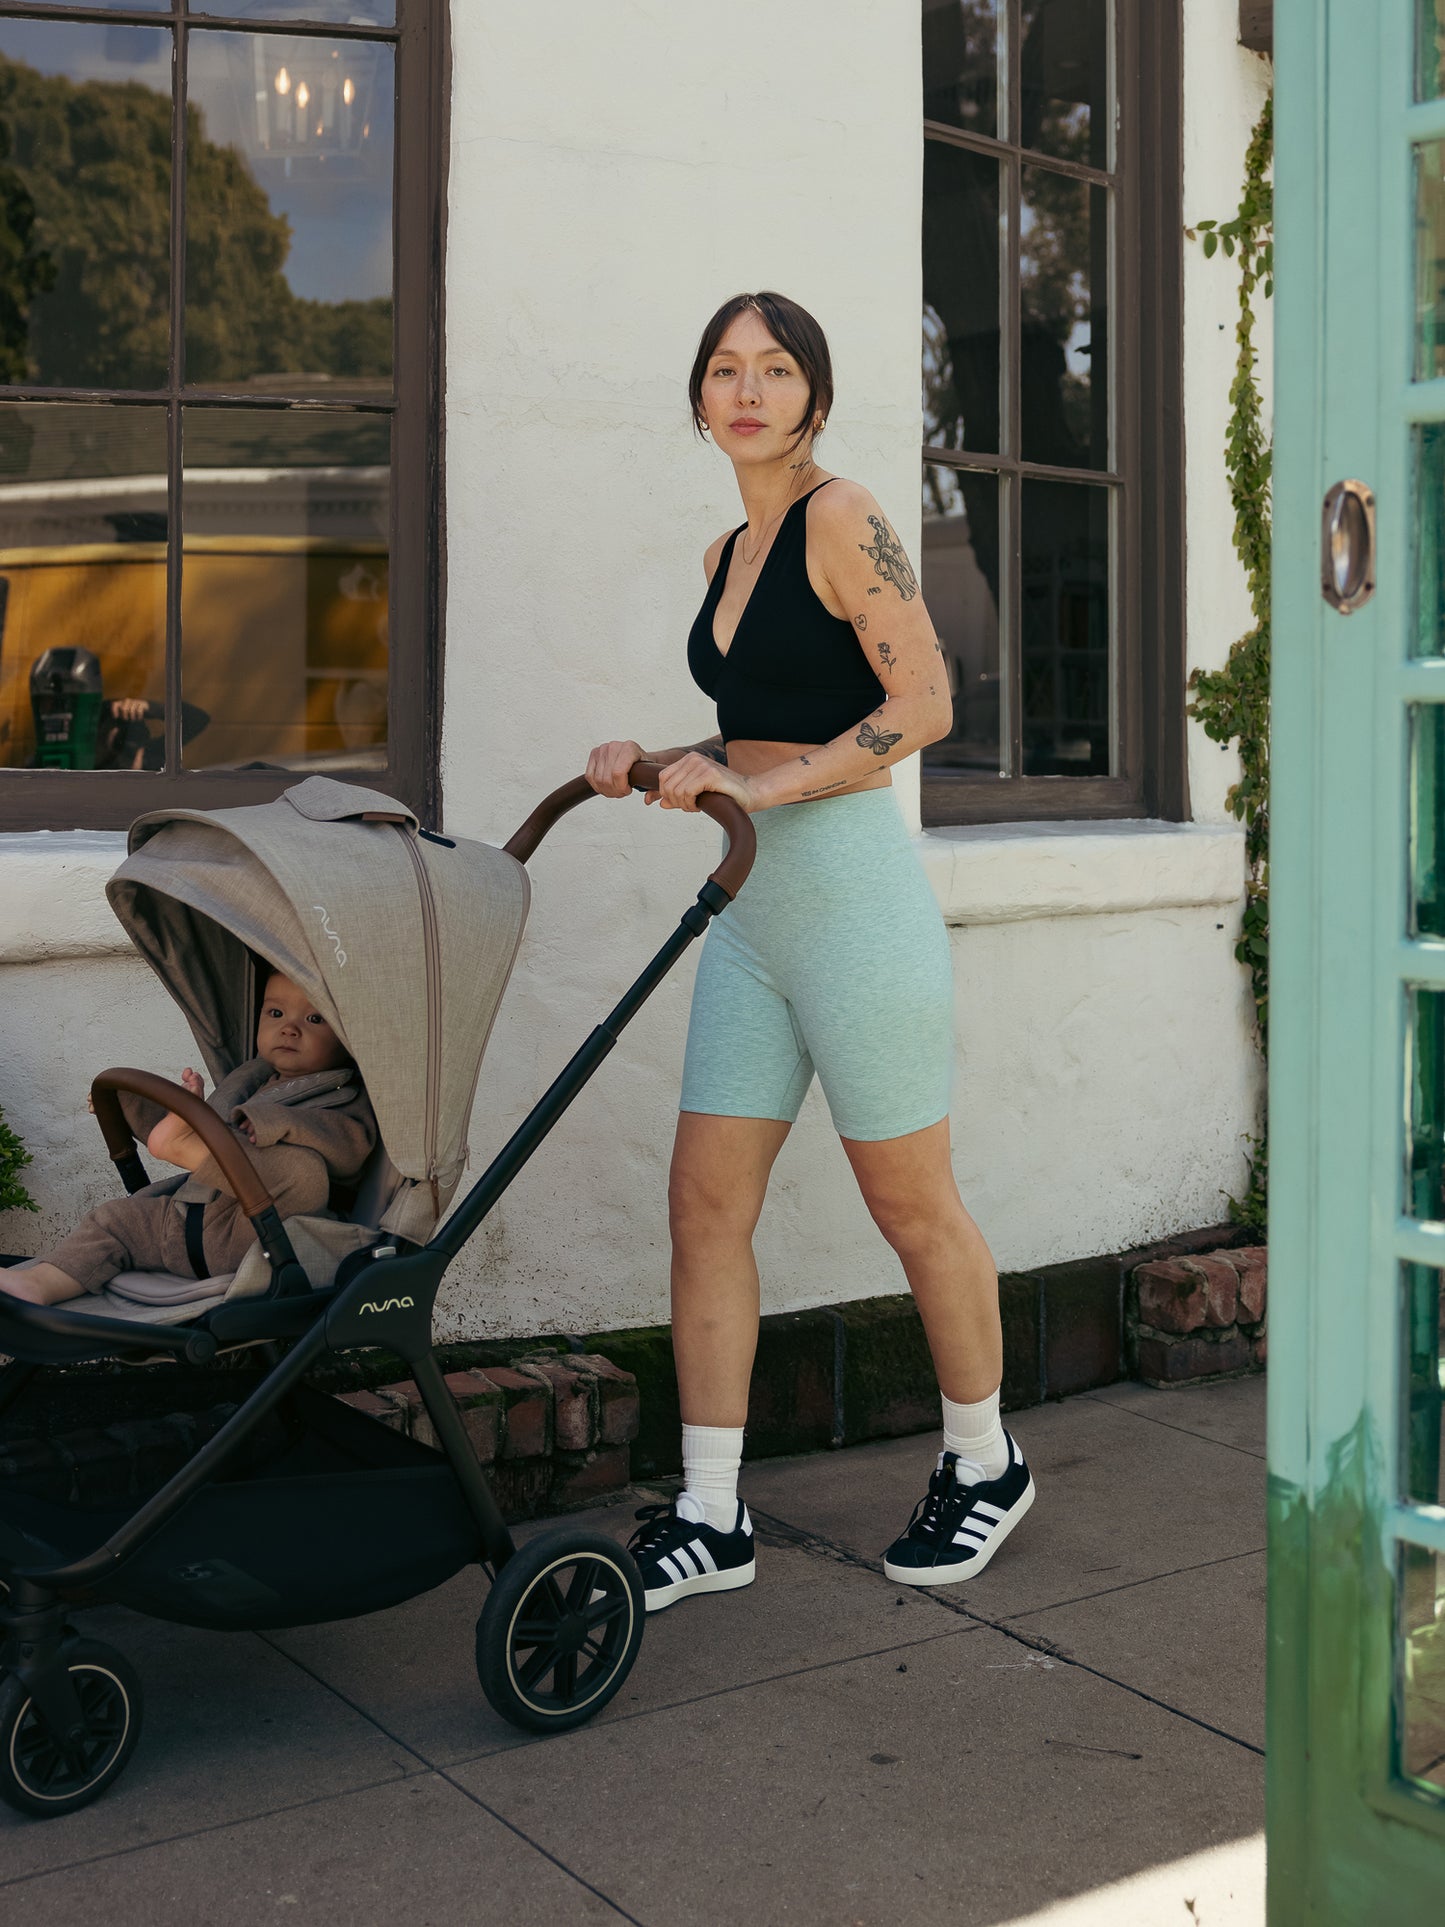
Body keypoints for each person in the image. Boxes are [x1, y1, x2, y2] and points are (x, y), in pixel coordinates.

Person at [586, 291, 1035, 1613]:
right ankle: (712, 1510)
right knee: (702, 1206)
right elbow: (761, 733)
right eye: (723, 367)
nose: (747, 388)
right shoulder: (729, 549)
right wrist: (661, 758)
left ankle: (985, 1457)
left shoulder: (842, 518)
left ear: (814, 399)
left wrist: (768, 795)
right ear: (701, 398)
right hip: (755, 917)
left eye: (774, 369)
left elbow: (926, 701)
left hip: (848, 908)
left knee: (914, 1203)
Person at [4, 971, 375, 1306]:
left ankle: (181, 1145)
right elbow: (213, 1130)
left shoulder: (349, 1096)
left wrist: (278, 1122)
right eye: (275, 1014)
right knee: (116, 1220)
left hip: (269, 1242)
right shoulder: (252, 1080)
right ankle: (39, 1285)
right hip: (189, 1225)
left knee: (301, 1168)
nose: (290, 1029)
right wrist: (125, 1106)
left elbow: (351, 1148)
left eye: (314, 1019)